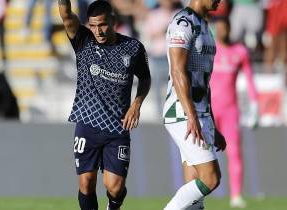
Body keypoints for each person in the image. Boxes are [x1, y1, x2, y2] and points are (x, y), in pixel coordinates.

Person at [57, 0, 151, 209]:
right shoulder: (83, 41)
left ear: (113, 21)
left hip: (118, 127)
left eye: (102, 24)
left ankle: (114, 204)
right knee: (86, 182)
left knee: (115, 187)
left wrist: (136, 104)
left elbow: (145, 79)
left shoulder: (133, 48)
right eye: (93, 25)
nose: (97, 31)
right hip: (87, 123)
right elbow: (65, 14)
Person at [162, 0, 227, 209]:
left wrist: (212, 124)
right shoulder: (182, 23)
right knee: (211, 178)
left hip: (201, 113)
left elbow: (203, 82)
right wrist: (191, 116)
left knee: (195, 193)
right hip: (182, 112)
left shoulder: (205, 25)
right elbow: (178, 71)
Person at [210, 17, 259, 208]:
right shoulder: (209, 51)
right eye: (218, 28)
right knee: (200, 153)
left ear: (229, 29)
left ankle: (236, 195)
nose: (221, 32)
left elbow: (250, 79)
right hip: (210, 111)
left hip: (231, 111)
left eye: (224, 28)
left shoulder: (239, 52)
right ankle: (197, 193)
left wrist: (255, 107)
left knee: (235, 153)